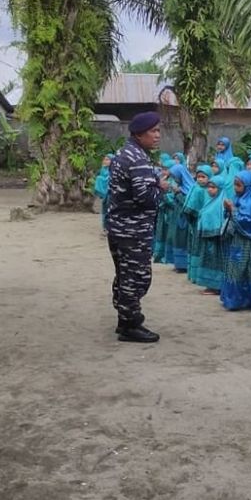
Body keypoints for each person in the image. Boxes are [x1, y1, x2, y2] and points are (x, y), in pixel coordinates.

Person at [106, 112, 165, 343]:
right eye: (154, 131)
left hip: (119, 228)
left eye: (159, 131)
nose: (158, 135)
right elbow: (145, 198)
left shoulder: (123, 153)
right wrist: (161, 188)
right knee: (136, 277)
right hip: (133, 231)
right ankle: (131, 325)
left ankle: (124, 319)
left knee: (124, 275)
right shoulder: (138, 158)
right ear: (139, 134)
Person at [220, 170, 251, 310]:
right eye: (234, 185)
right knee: (235, 268)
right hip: (236, 240)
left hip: (247, 241)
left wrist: (232, 209)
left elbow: (247, 221)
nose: (235, 188)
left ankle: (245, 299)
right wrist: (228, 209)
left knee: (245, 270)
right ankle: (233, 299)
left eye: (238, 185)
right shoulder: (238, 197)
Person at [196, 176, 228, 295]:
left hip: (216, 239)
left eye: (213, 187)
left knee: (215, 261)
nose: (210, 190)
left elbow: (221, 219)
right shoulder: (209, 201)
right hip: (208, 238)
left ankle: (217, 286)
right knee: (208, 260)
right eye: (209, 187)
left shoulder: (221, 202)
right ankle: (210, 285)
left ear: (220, 188)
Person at [184, 165, 213, 285]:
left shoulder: (209, 191)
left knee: (199, 247)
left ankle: (197, 275)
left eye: (203, 177)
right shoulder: (196, 188)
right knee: (194, 247)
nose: (200, 179)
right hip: (195, 223)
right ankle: (193, 274)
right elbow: (189, 206)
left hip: (204, 224)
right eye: (198, 177)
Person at [167, 163, 196, 273]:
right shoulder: (181, 187)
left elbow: (187, 204)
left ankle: (184, 265)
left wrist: (178, 193)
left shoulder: (190, 189)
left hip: (186, 219)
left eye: (176, 177)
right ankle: (178, 264)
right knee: (177, 240)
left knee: (184, 241)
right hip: (178, 217)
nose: (175, 179)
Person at [93, 154, 114, 232]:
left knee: (110, 211)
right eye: (104, 159)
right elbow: (101, 181)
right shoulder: (103, 170)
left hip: (111, 194)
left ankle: (111, 227)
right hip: (105, 195)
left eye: (107, 159)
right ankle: (105, 227)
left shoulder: (114, 171)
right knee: (104, 211)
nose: (105, 161)